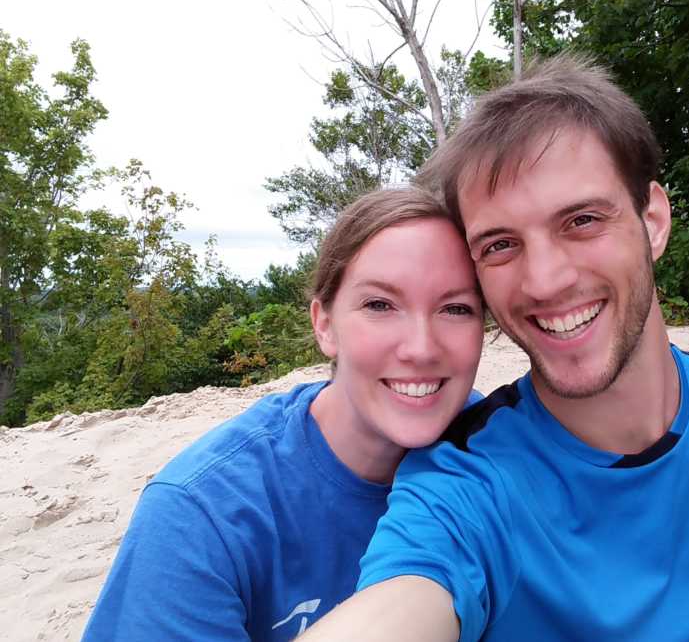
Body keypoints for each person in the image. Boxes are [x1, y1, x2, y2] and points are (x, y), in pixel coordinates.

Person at [300, 56, 689, 641]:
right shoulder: (465, 479)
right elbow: (405, 601)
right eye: (499, 245)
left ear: (653, 221)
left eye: (582, 220)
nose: (544, 281)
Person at [81, 187, 485, 641]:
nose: (421, 348)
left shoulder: (499, 453)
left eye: (456, 308)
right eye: (379, 305)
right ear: (325, 325)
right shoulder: (200, 514)